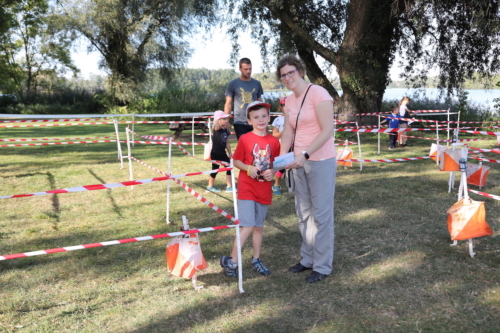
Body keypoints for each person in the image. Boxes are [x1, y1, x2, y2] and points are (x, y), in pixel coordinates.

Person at [277, 55, 336, 283]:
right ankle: (307, 259)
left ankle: (322, 265)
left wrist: (306, 155)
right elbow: (288, 133)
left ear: (300, 71)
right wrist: (281, 161)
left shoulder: (319, 93)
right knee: (303, 213)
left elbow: (327, 130)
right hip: (297, 162)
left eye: (291, 72)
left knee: (321, 215)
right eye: (283, 75)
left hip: (319, 160)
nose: (287, 77)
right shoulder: (289, 101)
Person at [220, 101, 280, 277]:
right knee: (247, 225)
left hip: (264, 191)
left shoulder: (274, 142)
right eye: (256, 117)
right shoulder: (245, 139)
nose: (260, 120)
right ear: (249, 120)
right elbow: (236, 161)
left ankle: (256, 259)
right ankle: (232, 261)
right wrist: (248, 168)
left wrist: (273, 172)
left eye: (263, 116)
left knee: (258, 227)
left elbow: (276, 164)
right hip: (247, 189)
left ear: (269, 118)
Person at [224, 58, 264, 139]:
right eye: (246, 69)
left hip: (254, 121)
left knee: (256, 146)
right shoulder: (233, 84)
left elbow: (260, 102)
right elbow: (228, 104)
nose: (248, 71)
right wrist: (226, 121)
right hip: (239, 121)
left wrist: (263, 118)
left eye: (250, 69)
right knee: (244, 146)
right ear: (240, 69)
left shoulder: (257, 84)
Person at [206, 110, 235, 193]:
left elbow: (227, 143)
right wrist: (217, 122)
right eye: (224, 119)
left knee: (229, 167)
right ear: (218, 120)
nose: (226, 120)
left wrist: (230, 153)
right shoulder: (216, 127)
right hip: (215, 153)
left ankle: (229, 186)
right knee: (215, 170)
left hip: (223, 153)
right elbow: (215, 125)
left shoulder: (226, 130)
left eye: (227, 119)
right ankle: (210, 186)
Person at [271, 96, 287, 195]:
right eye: (285, 106)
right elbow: (274, 135)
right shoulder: (278, 120)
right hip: (282, 146)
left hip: (295, 145)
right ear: (281, 107)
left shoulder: (296, 118)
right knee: (281, 166)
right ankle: (276, 185)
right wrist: (283, 132)